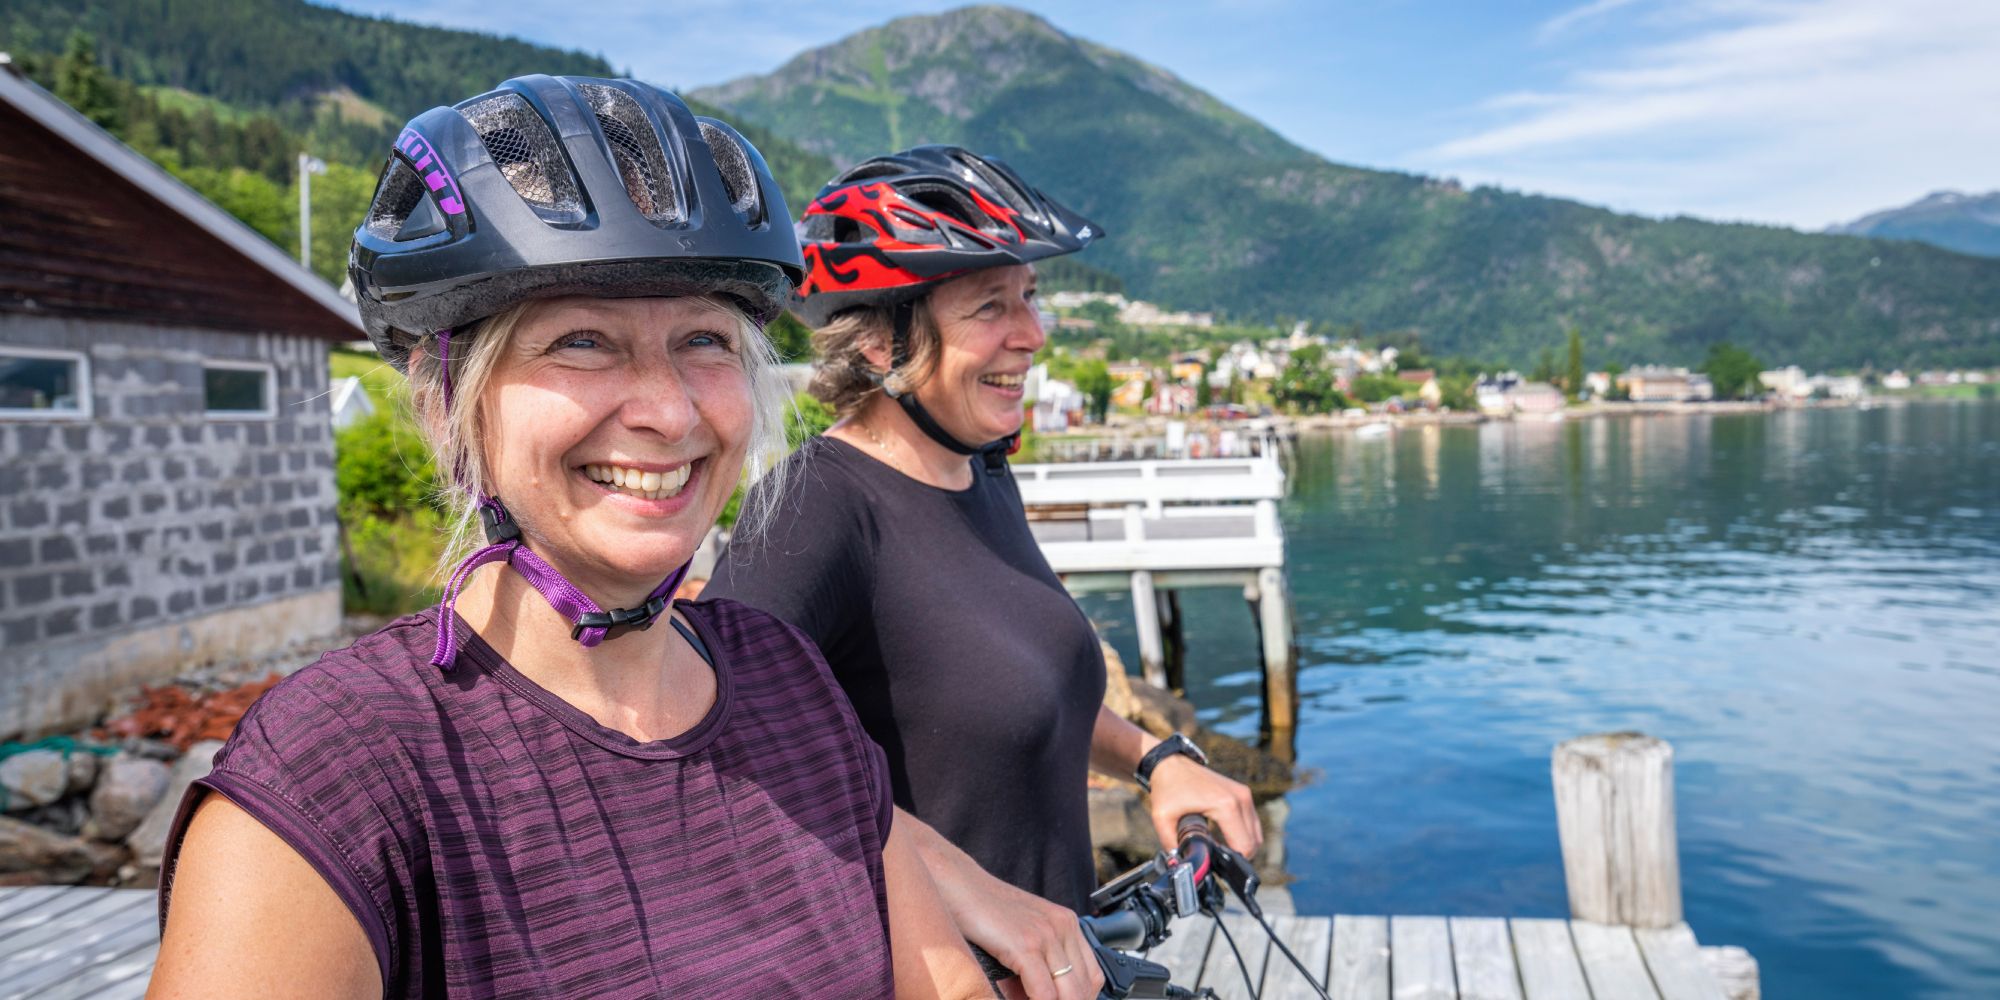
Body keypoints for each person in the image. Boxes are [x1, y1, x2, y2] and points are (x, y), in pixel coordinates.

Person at [148, 77, 988, 999]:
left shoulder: (787, 680)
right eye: (581, 341)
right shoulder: (341, 769)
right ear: (446, 404)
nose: (668, 412)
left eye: (706, 341)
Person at [707, 146, 1264, 1000]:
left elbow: (1035, 693)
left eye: (1031, 298)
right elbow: (726, 774)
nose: (1032, 334)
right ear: (883, 335)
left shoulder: (981, 474)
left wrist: (1160, 759)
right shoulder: (816, 506)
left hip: (1072, 969)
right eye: (989, 307)